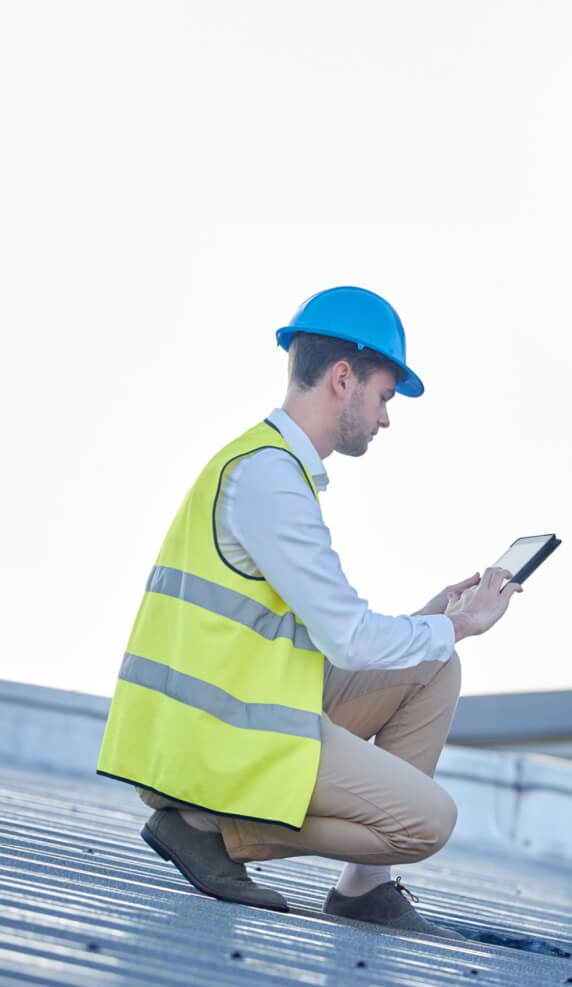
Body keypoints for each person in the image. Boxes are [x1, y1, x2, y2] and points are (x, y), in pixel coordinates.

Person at [96, 285, 521, 939]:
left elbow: (319, 633)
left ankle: (363, 889)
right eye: (383, 397)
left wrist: (435, 617)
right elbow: (348, 637)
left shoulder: (271, 467)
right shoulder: (268, 478)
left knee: (436, 667)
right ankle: (210, 829)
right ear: (344, 379)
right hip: (213, 742)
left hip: (240, 713)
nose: (385, 419)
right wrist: (461, 621)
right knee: (427, 821)